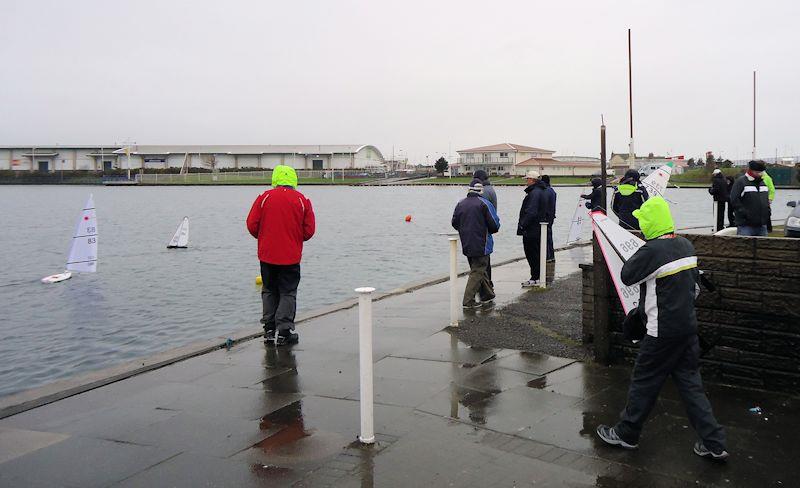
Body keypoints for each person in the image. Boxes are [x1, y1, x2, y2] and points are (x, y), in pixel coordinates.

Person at [596, 196, 728, 461]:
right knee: (691, 386)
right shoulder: (686, 245)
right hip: (687, 329)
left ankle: (626, 433)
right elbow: (694, 288)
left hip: (661, 332)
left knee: (644, 382)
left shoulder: (652, 251)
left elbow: (628, 275)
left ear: (648, 224)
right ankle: (714, 443)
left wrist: (641, 249)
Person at [246, 165, 316, 346]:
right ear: (294, 180)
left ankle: (269, 330)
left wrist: (263, 238)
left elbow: (252, 224)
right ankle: (284, 332)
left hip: (267, 254)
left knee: (269, 290)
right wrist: (294, 238)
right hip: (291, 256)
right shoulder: (302, 200)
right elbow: (309, 231)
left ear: (275, 179)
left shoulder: (264, 198)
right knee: (288, 292)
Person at [452, 182, 500, 308]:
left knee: (478, 269)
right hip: (482, 243)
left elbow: (454, 222)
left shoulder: (460, 203)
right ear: (481, 191)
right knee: (478, 270)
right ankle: (468, 301)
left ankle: (488, 294)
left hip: (466, 242)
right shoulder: (484, 203)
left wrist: (465, 231)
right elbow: (494, 225)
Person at [517, 170, 548, 287]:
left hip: (531, 229)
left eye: (527, 179)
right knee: (536, 253)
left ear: (531, 180)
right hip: (537, 228)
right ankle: (538, 276)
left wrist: (522, 224)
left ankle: (535, 278)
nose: (526, 181)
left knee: (532, 253)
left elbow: (531, 211)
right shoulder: (541, 191)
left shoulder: (534, 193)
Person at [729, 160, 770, 237]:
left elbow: (766, 201)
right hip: (745, 225)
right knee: (744, 248)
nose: (760, 174)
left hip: (762, 225)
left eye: (761, 172)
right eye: (757, 172)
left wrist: (768, 214)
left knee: (762, 248)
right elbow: (734, 200)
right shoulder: (741, 182)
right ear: (751, 171)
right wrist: (744, 214)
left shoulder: (763, 184)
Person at [541, 175, 557, 262]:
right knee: (549, 236)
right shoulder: (552, 191)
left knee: (545, 237)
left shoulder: (545, 191)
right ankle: (551, 256)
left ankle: (547, 256)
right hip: (551, 216)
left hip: (546, 217)